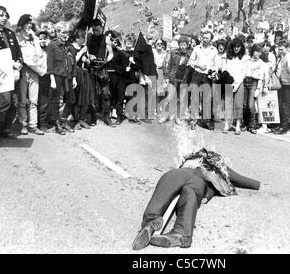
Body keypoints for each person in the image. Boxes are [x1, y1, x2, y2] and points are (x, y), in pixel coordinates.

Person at [132, 148, 260, 250]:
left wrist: (207, 196)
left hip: (181, 173)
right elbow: (240, 179)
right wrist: (257, 184)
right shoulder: (218, 163)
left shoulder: (190, 158)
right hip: (199, 181)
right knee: (190, 195)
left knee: (165, 189)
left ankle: (150, 221)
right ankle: (181, 232)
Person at [0, 6, 23, 140]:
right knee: (5, 101)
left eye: (6, 15)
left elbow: (18, 51)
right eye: (1, 15)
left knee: (13, 102)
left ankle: (5, 129)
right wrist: (10, 63)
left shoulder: (10, 32)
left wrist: (18, 66)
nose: (4, 18)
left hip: (14, 73)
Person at [15, 14, 45, 136]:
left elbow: (39, 54)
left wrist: (35, 38)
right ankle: (23, 124)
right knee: (22, 99)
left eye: (31, 24)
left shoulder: (34, 39)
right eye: (27, 23)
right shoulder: (17, 38)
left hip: (34, 71)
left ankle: (33, 125)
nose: (29, 26)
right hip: (23, 70)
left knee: (34, 100)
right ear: (22, 24)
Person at [46, 22, 78, 135]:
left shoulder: (69, 47)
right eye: (63, 32)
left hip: (68, 77)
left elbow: (73, 64)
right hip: (57, 76)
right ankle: (56, 124)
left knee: (72, 99)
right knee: (55, 101)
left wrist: (74, 78)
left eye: (67, 33)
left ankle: (63, 120)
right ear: (58, 32)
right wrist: (52, 79)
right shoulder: (52, 45)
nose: (66, 35)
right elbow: (49, 64)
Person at [187, 31, 218, 130]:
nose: (204, 40)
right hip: (197, 75)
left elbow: (216, 65)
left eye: (207, 38)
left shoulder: (214, 50)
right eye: (203, 38)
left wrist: (214, 71)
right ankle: (194, 120)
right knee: (195, 96)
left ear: (211, 40)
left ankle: (205, 121)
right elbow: (190, 61)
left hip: (208, 77)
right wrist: (198, 65)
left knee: (206, 99)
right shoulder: (196, 48)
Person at [87, 19, 113, 126]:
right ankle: (93, 117)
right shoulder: (88, 37)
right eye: (94, 30)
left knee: (106, 93)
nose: (95, 32)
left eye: (97, 30)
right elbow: (86, 50)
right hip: (92, 68)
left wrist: (106, 60)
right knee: (92, 94)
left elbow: (111, 54)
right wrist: (89, 56)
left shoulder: (106, 39)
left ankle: (106, 116)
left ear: (102, 28)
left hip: (102, 69)